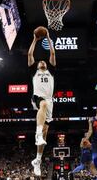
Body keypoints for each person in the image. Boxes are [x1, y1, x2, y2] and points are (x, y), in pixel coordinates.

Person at [28, 27, 56, 176]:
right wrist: (35, 39)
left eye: (44, 61)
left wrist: (49, 38)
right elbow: (30, 54)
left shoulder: (51, 70)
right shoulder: (34, 70)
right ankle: (37, 133)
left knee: (45, 133)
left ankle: (37, 160)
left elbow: (52, 53)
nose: (42, 62)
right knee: (43, 104)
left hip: (50, 101)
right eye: (40, 62)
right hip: (38, 97)